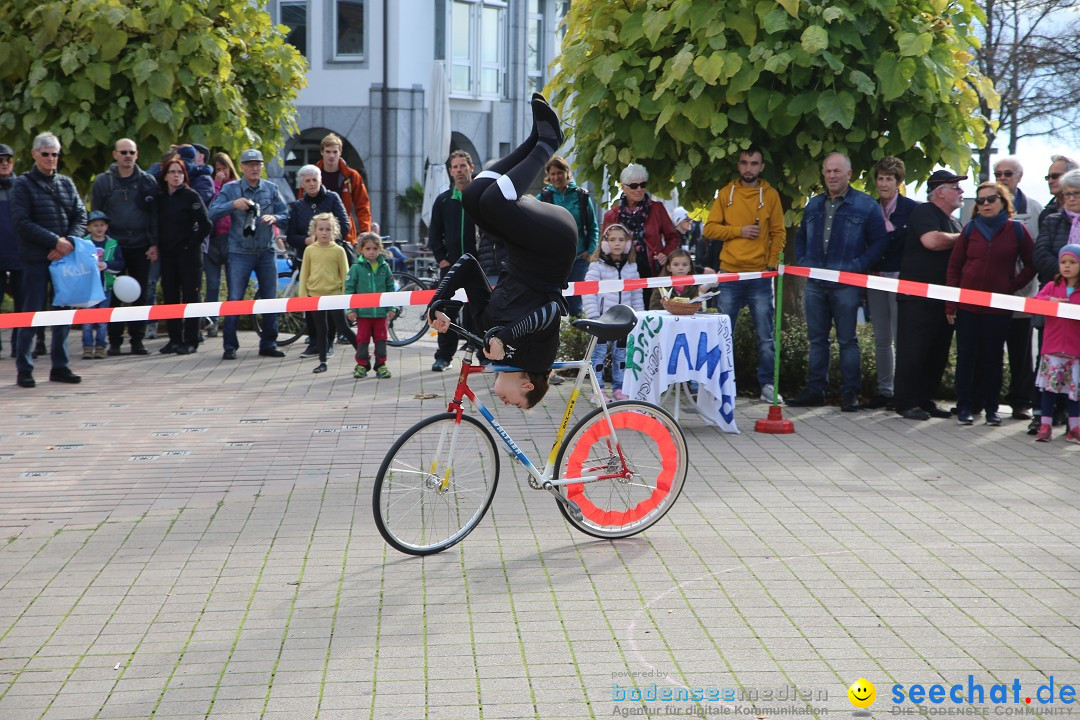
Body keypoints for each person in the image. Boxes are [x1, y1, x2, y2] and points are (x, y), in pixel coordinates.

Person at [427, 93, 577, 409]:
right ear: (527, 385)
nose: (507, 404)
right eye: (518, 403)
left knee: (473, 197)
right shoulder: (537, 360)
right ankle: (548, 144)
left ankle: (536, 139)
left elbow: (467, 265)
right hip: (554, 246)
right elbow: (550, 313)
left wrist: (439, 302)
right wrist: (505, 338)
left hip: (522, 247)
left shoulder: (486, 327)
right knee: (495, 201)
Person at [788, 152, 889, 411]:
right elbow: (801, 238)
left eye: (836, 171)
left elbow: (879, 243)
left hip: (846, 283)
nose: (831, 175)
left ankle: (850, 394)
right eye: (827, 171)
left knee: (847, 340)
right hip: (815, 282)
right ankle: (815, 391)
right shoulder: (813, 205)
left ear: (849, 174)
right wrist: (803, 261)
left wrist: (857, 266)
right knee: (817, 339)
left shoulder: (866, 205)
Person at [946, 182, 1035, 426]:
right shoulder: (970, 229)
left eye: (991, 199)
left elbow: (1032, 262)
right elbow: (954, 267)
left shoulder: (1016, 230)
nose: (985, 204)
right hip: (967, 306)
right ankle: (964, 406)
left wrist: (1011, 286)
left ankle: (992, 408)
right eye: (981, 200)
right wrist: (951, 303)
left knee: (993, 358)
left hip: (998, 307)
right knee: (966, 356)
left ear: (1003, 201)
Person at [704, 145, 787, 403]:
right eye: (744, 163)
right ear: (738, 165)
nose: (748, 168)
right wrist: (739, 231)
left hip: (760, 277)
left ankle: (767, 386)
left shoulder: (771, 194)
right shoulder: (726, 193)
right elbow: (709, 229)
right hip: (729, 273)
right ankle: (717, 385)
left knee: (766, 337)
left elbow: (779, 232)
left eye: (754, 163)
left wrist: (771, 265)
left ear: (761, 167)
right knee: (722, 335)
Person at [11, 131, 88, 388]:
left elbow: (81, 215)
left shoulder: (66, 183)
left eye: (55, 154)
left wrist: (68, 243)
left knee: (63, 314)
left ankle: (60, 366)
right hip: (35, 260)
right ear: (35, 154)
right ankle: (24, 368)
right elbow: (22, 222)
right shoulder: (22, 184)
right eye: (46, 154)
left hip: (64, 259)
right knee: (31, 314)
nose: (51, 159)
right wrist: (55, 241)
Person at [892, 170, 966, 420]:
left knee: (937, 352)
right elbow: (932, 241)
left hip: (942, 299)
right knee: (913, 350)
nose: (961, 192)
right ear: (940, 192)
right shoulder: (924, 212)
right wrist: (966, 237)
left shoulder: (955, 222)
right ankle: (906, 402)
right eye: (955, 187)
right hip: (917, 297)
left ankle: (925, 399)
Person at [208, 148, 290, 360]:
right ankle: (229, 346)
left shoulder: (271, 188)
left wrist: (275, 218)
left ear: (262, 166)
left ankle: (268, 343)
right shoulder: (231, 188)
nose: (255, 168)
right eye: (250, 164)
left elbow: (286, 214)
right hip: (239, 252)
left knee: (270, 299)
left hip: (266, 251)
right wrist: (232, 204)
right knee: (235, 298)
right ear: (242, 167)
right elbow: (212, 212)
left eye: (258, 164)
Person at [90, 138, 158, 356]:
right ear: (115, 154)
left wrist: (154, 243)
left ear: (137, 155)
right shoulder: (103, 182)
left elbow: (155, 216)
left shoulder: (148, 181)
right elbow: (95, 216)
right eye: (123, 152)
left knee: (140, 295)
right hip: (113, 247)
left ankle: (137, 341)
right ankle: (115, 341)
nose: (127, 156)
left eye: (131, 152)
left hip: (141, 246)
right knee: (113, 296)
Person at [862, 157, 918, 410]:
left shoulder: (912, 209)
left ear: (898, 182)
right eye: (880, 178)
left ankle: (903, 392)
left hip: (900, 279)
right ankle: (885, 391)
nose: (884, 183)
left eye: (889, 179)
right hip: (875, 277)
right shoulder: (869, 208)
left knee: (900, 336)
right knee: (882, 338)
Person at [990, 157, 1043, 420]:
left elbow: (1036, 256)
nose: (1002, 178)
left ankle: (1021, 402)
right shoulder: (987, 206)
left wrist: (1016, 284)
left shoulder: (1034, 209)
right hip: (990, 297)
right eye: (997, 173)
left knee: (1021, 354)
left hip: (1022, 295)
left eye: (1007, 173)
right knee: (989, 351)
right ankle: (985, 400)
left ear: (1019, 176)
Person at [285, 164, 351, 359]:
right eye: (307, 181)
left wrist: (328, 239)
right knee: (311, 304)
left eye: (315, 179)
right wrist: (307, 241)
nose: (312, 183)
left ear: (320, 180)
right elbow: (291, 236)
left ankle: (329, 343)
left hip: (331, 257)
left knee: (331, 307)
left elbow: (344, 226)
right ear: (302, 184)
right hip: (308, 258)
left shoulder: (332, 198)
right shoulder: (297, 206)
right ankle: (314, 342)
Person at [602, 163, 680, 307]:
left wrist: (665, 253)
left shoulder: (657, 209)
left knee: (652, 312)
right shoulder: (611, 215)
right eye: (634, 186)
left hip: (652, 271)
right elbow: (603, 246)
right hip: (622, 271)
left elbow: (673, 237)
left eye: (643, 184)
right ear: (623, 187)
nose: (639, 189)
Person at [427, 150, 477, 371]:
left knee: (478, 311)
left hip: (478, 267)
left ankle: (482, 354)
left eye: (462, 166)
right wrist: (442, 260)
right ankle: (444, 356)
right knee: (446, 310)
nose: (459, 170)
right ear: (450, 171)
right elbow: (434, 234)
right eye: (455, 167)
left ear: (471, 168)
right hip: (451, 267)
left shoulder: (481, 197)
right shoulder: (444, 200)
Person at [157, 155, 211, 355]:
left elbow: (206, 224)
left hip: (189, 256)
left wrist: (191, 244)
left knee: (191, 297)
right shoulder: (160, 198)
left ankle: (191, 340)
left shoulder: (191, 196)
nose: (176, 176)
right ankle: (174, 340)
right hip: (168, 256)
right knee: (170, 297)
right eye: (172, 172)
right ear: (165, 176)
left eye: (180, 172)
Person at [583, 223, 644, 402]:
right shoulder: (597, 266)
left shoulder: (632, 267)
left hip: (624, 322)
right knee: (598, 356)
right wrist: (594, 317)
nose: (617, 243)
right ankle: (598, 390)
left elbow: (636, 294)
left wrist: (638, 316)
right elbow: (588, 291)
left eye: (621, 240)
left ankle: (620, 388)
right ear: (604, 243)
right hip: (602, 320)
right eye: (612, 240)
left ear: (627, 244)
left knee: (622, 357)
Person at [537, 155, 598, 316]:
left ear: (567, 173)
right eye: (553, 174)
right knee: (553, 304)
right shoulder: (543, 198)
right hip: (553, 261)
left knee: (576, 306)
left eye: (559, 173)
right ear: (548, 176)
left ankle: (578, 340)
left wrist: (591, 250)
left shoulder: (582, 196)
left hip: (579, 260)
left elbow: (593, 226)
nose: (556, 177)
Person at [1032, 244, 1080, 442]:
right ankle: (1045, 425)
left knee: (1074, 392)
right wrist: (1050, 301)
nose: (1066, 266)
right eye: (1063, 262)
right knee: (1049, 390)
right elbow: (1035, 301)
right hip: (1052, 350)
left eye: (1072, 262)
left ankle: (1074, 428)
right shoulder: (1052, 286)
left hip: (1074, 350)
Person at [298, 213, 357, 374]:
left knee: (343, 328)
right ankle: (322, 361)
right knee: (320, 330)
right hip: (315, 296)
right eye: (321, 229)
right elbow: (304, 274)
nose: (324, 233)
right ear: (314, 231)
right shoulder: (309, 250)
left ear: (334, 231)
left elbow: (345, 275)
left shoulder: (339, 251)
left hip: (335, 296)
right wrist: (303, 298)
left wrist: (347, 299)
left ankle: (363, 353)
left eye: (328, 229)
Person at [346, 232, 396, 379]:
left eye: (375, 248)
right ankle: (362, 365)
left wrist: (391, 308)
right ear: (361, 249)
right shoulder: (356, 268)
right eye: (368, 249)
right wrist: (351, 309)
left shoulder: (384, 267)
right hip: (363, 314)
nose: (371, 252)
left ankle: (381, 365)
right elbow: (350, 289)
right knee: (362, 339)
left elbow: (390, 288)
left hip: (380, 314)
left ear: (380, 249)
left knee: (381, 340)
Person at [204, 152, 238, 337]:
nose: (221, 172)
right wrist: (216, 183)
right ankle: (212, 322)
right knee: (213, 284)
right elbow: (211, 207)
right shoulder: (211, 186)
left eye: (224, 168)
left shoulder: (237, 186)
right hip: (213, 241)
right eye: (218, 169)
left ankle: (231, 323)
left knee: (234, 285)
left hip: (232, 241)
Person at [81, 210, 124, 359]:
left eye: (102, 225)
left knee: (102, 320)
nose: (99, 228)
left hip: (105, 286)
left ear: (106, 227)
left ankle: (100, 346)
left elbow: (120, 263)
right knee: (87, 320)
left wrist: (106, 265)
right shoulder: (83, 243)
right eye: (95, 225)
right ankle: (87, 347)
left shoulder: (112, 244)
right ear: (89, 228)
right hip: (88, 288)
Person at [315, 133, 370, 245]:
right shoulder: (312, 174)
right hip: (317, 230)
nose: (331, 156)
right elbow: (301, 202)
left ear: (340, 153)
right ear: (322, 152)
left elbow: (363, 205)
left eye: (335, 152)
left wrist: (365, 231)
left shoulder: (351, 176)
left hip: (344, 231)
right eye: (328, 152)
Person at [0, 143, 21, 359]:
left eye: (8, 160)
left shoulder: (21, 186)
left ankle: (19, 345)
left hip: (20, 255)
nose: (5, 164)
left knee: (22, 305)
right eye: (0, 160)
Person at [1039, 155, 1079, 229]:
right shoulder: (1045, 214)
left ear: (1071, 176)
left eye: (1055, 176)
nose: (1050, 181)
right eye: (1048, 177)